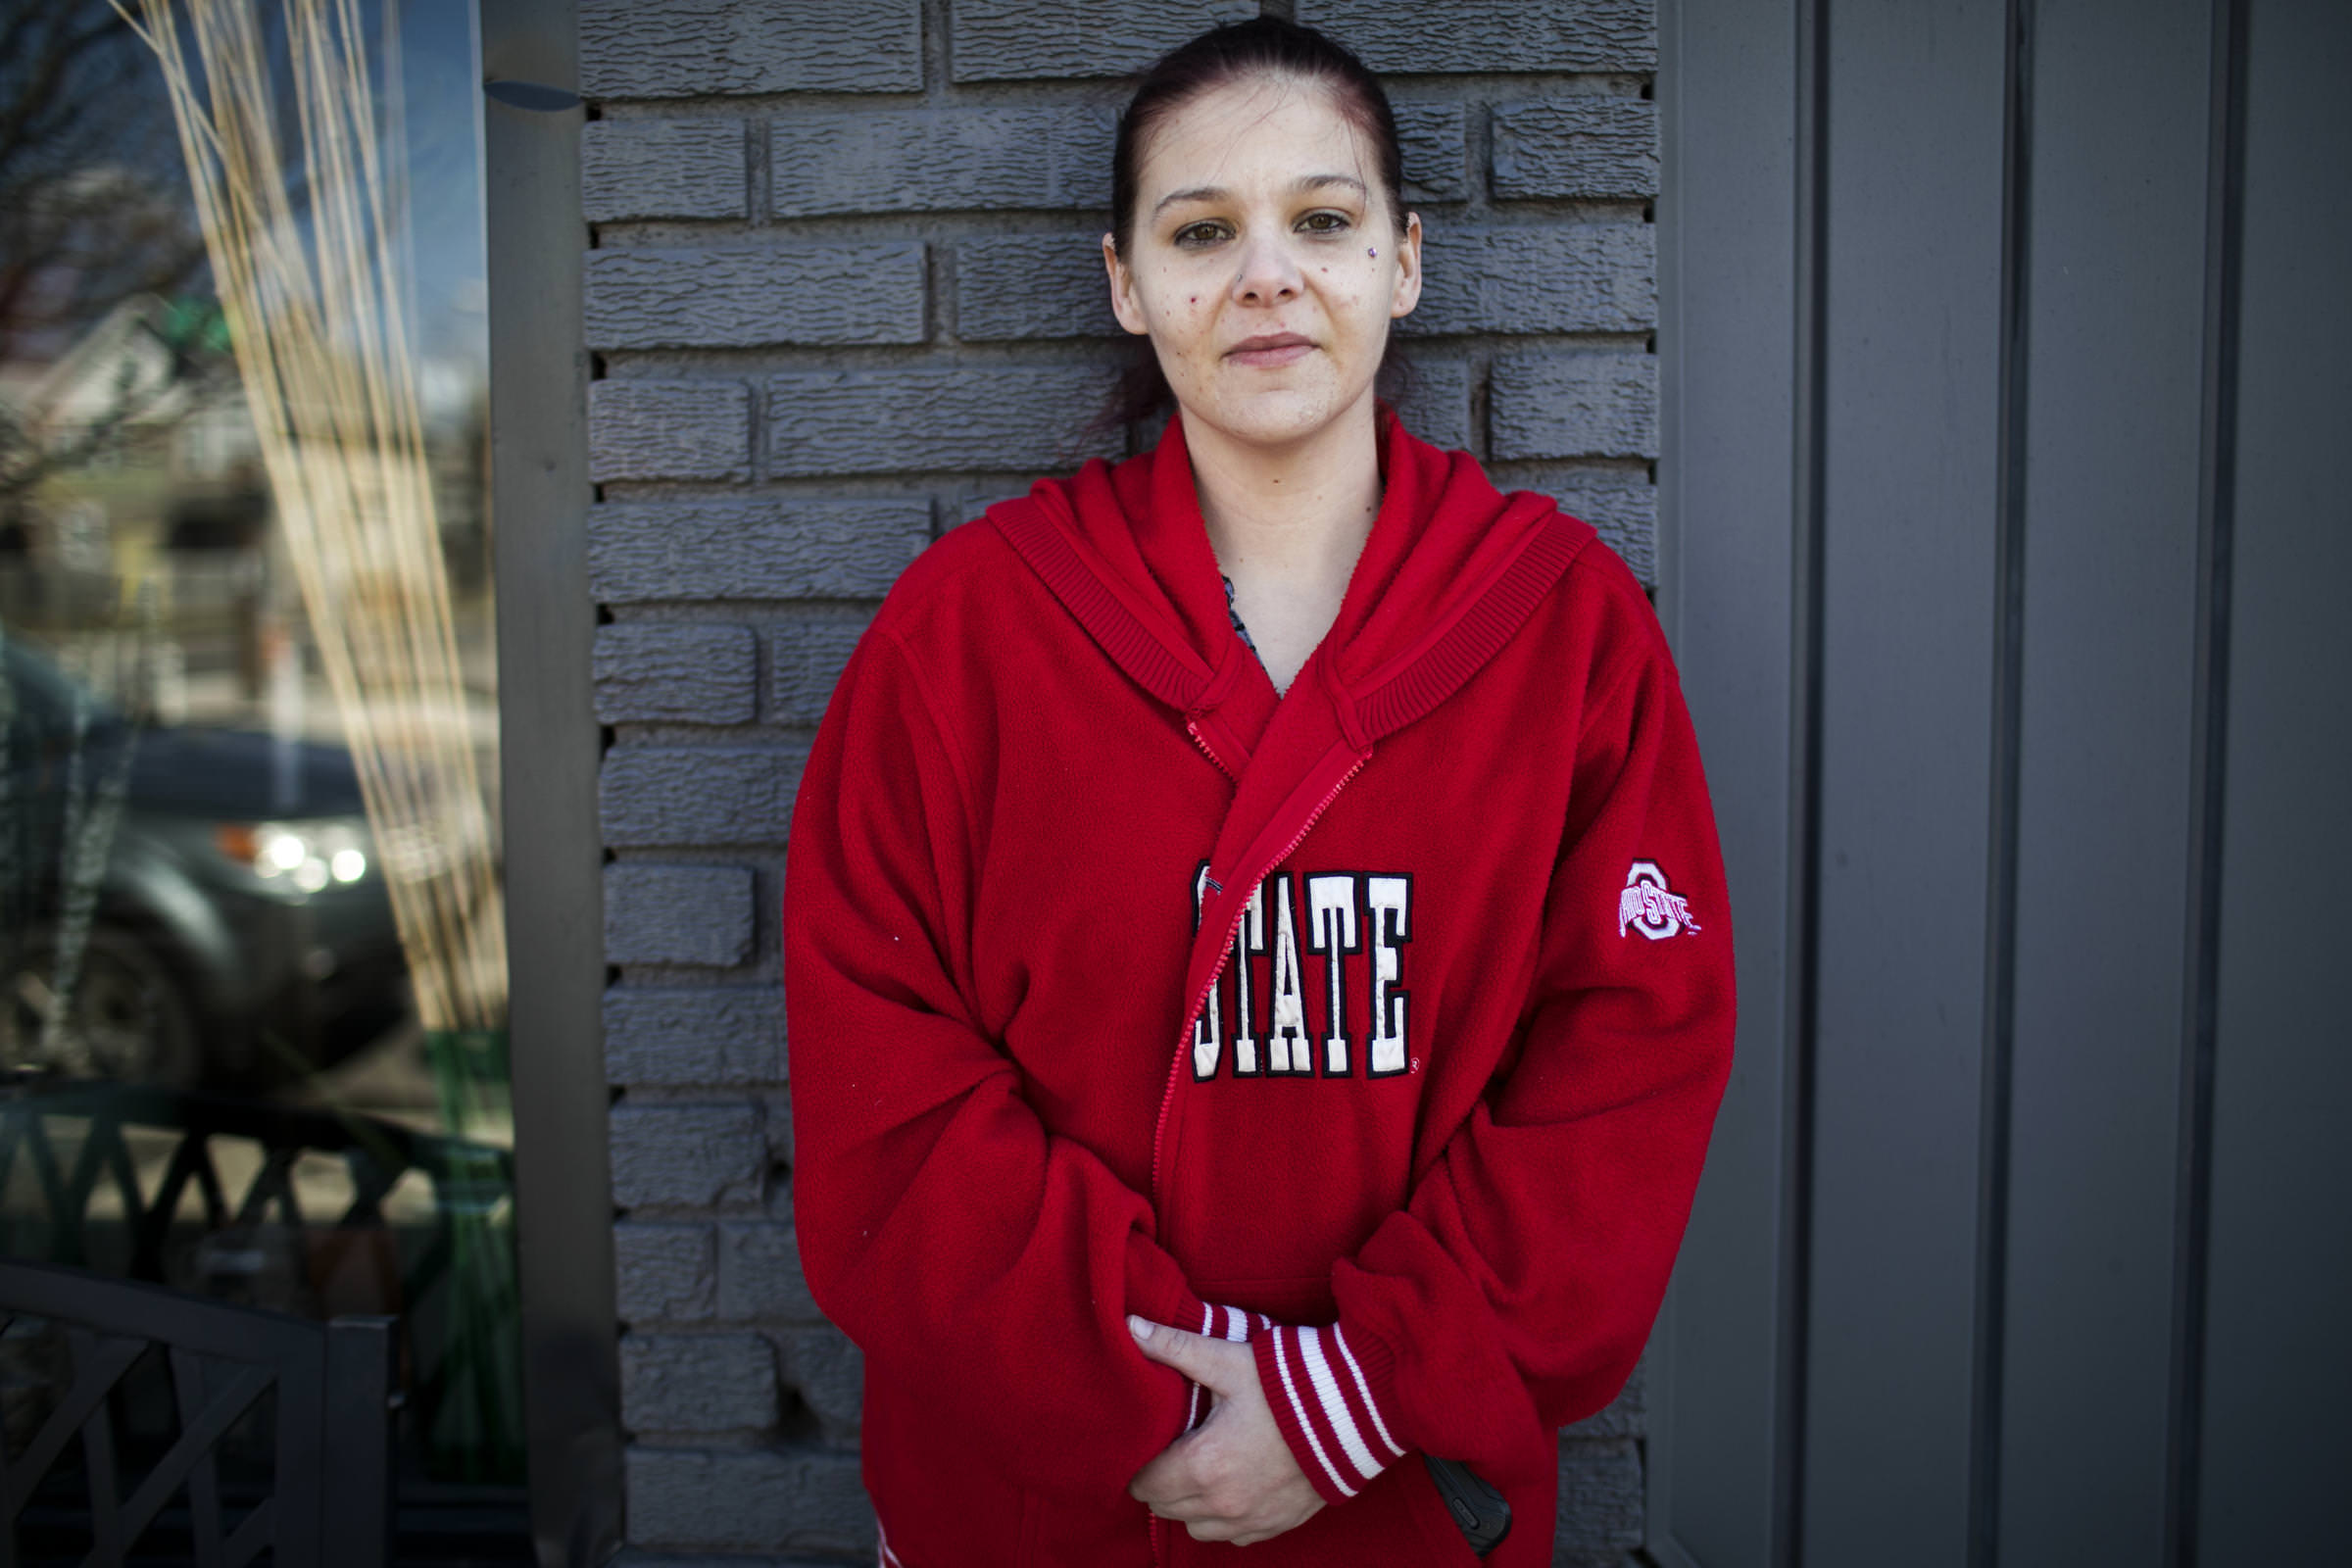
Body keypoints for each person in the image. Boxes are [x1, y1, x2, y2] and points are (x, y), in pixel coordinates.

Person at [783, 18, 1735, 1568]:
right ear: (1126, 282)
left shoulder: (1564, 629)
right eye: (1203, 231)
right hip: (1033, 1508)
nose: (1266, 274)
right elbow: (883, 1084)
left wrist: (1347, 1397)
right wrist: (1149, 1395)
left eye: (1324, 221)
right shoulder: (969, 631)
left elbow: (1625, 1065)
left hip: (1398, 1504)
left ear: (1405, 262)